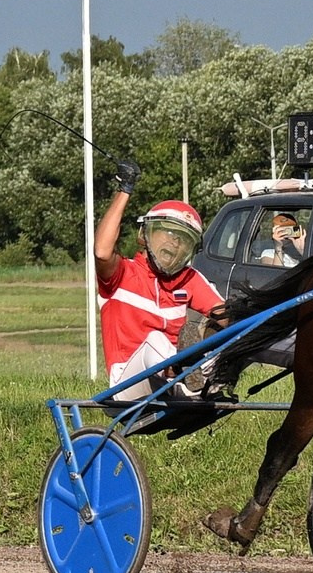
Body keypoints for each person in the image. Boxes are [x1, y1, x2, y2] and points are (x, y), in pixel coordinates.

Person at [94, 160, 221, 400]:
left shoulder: (189, 279)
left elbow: (225, 314)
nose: (174, 243)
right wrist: (125, 190)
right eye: (168, 233)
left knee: (221, 330)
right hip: (128, 385)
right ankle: (186, 379)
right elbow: (101, 252)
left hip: (174, 379)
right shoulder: (122, 274)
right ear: (144, 235)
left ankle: (198, 379)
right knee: (157, 339)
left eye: (182, 239)